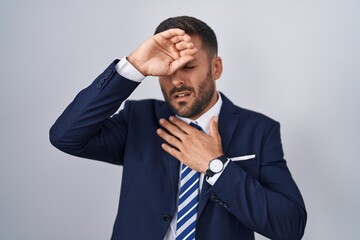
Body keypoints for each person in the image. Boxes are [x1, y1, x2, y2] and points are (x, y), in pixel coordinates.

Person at [50, 16, 307, 240]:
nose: (176, 80)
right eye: (167, 68)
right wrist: (134, 66)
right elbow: (65, 136)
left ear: (215, 68)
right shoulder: (138, 119)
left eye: (188, 66)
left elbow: (290, 226)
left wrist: (216, 166)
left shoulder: (259, 130)